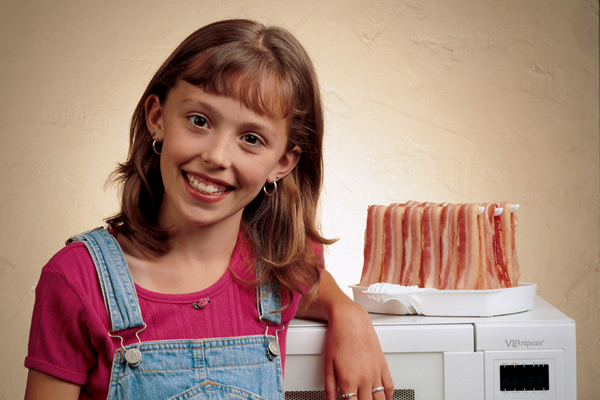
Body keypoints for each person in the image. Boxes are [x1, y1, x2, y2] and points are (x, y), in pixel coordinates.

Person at [24, 19, 392, 400]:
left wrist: (349, 314)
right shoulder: (76, 279)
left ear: (282, 163)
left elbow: (310, 277)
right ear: (157, 118)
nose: (216, 156)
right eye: (199, 121)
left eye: (251, 138)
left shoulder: (278, 267)